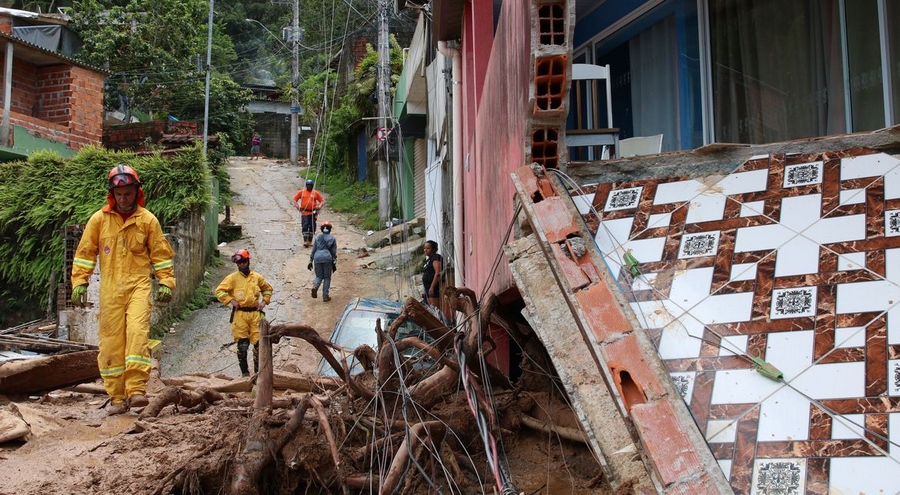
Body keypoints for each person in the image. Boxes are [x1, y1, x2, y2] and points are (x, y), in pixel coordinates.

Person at [71, 164, 176, 416]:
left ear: (136, 192)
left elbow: (161, 256)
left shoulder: (148, 221)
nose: (123, 198)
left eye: (128, 193)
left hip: (138, 286)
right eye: (118, 194)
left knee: (137, 334)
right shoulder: (99, 220)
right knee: (110, 343)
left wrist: (166, 282)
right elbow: (85, 253)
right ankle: (117, 397)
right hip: (110, 291)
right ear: (112, 194)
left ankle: (136, 390)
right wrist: (80, 282)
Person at [215, 249, 273, 377]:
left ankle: (258, 374)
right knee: (242, 345)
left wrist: (264, 302)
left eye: (243, 261)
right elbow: (219, 291)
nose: (241, 264)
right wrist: (231, 300)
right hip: (240, 315)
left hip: (255, 314)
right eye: (239, 263)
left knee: (259, 345)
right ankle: (245, 374)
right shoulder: (232, 278)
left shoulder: (257, 277)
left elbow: (267, 289)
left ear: (248, 261)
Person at [308, 221, 337, 302]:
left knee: (319, 276)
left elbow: (314, 250)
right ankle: (325, 296)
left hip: (317, 257)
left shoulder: (317, 238)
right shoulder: (332, 238)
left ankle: (315, 286)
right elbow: (334, 252)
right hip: (327, 258)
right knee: (327, 277)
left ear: (321, 229)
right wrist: (334, 262)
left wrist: (310, 261)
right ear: (330, 229)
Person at [293, 179, 324, 247]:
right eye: (308, 185)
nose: (309, 186)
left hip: (313, 212)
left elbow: (322, 201)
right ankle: (305, 241)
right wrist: (298, 207)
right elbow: (295, 199)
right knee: (305, 225)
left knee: (312, 226)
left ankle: (310, 241)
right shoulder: (302, 192)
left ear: (312, 186)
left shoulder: (315, 193)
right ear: (306, 185)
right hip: (304, 212)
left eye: (310, 185)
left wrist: (319, 206)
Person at [422, 240, 443, 307]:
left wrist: (432, 287)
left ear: (433, 249)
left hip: (434, 286)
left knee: (435, 308)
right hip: (427, 286)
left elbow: (437, 272)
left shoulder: (436, 257)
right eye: (425, 248)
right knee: (431, 307)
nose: (425, 250)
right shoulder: (428, 260)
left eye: (428, 248)